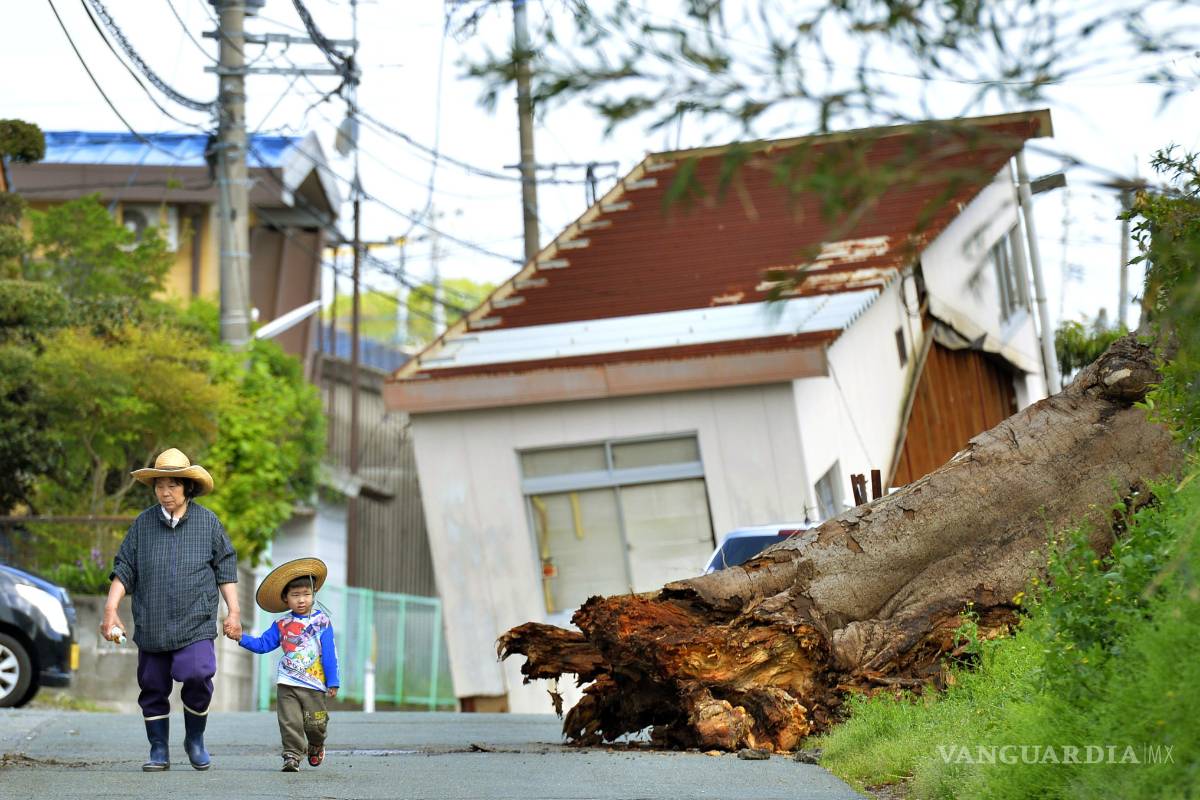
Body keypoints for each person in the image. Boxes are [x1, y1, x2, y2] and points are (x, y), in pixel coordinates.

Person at [101, 448, 241, 772]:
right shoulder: (143, 524)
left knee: (198, 672)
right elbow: (124, 569)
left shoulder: (207, 523)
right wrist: (111, 609)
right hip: (152, 620)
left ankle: (195, 738)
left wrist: (233, 612)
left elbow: (225, 566)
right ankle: (159, 748)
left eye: (173, 486)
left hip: (196, 619)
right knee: (152, 685)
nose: (165, 492)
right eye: (159, 485)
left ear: (187, 488)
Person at [237, 557, 339, 772]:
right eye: (295, 595)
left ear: (313, 595)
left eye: (306, 594)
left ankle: (316, 743)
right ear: (285, 599)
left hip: (315, 684)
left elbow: (329, 652)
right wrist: (240, 637)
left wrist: (333, 681)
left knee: (315, 724)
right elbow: (263, 644)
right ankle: (291, 756)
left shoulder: (322, 622)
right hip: (287, 682)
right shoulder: (281, 624)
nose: (302, 600)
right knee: (289, 723)